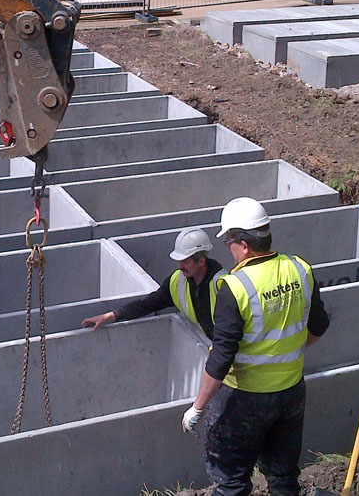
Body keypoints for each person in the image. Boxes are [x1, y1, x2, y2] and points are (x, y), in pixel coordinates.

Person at [182, 197, 330, 496]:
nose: (230, 251)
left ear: (243, 244)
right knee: (283, 475)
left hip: (244, 400)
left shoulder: (235, 287)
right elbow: (319, 325)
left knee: (230, 479)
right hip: (291, 393)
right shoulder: (299, 268)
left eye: (229, 244)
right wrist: (289, 356)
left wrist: (197, 407)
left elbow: (221, 359)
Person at [81, 228, 225, 339]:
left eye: (186, 261)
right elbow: (147, 304)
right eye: (180, 261)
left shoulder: (223, 285)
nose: (180, 266)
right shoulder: (178, 282)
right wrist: (110, 316)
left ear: (201, 261)